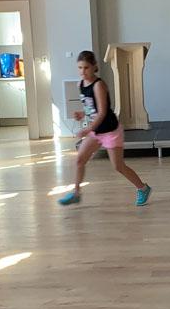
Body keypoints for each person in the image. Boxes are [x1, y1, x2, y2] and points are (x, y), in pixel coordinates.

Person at [58, 50, 152, 206]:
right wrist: (82, 113)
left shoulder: (98, 85)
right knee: (80, 160)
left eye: (86, 67)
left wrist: (88, 129)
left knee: (118, 166)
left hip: (110, 131)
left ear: (94, 67)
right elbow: (91, 108)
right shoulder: (80, 85)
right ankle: (76, 193)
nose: (83, 71)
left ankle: (143, 188)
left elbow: (102, 112)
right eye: (80, 68)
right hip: (96, 131)